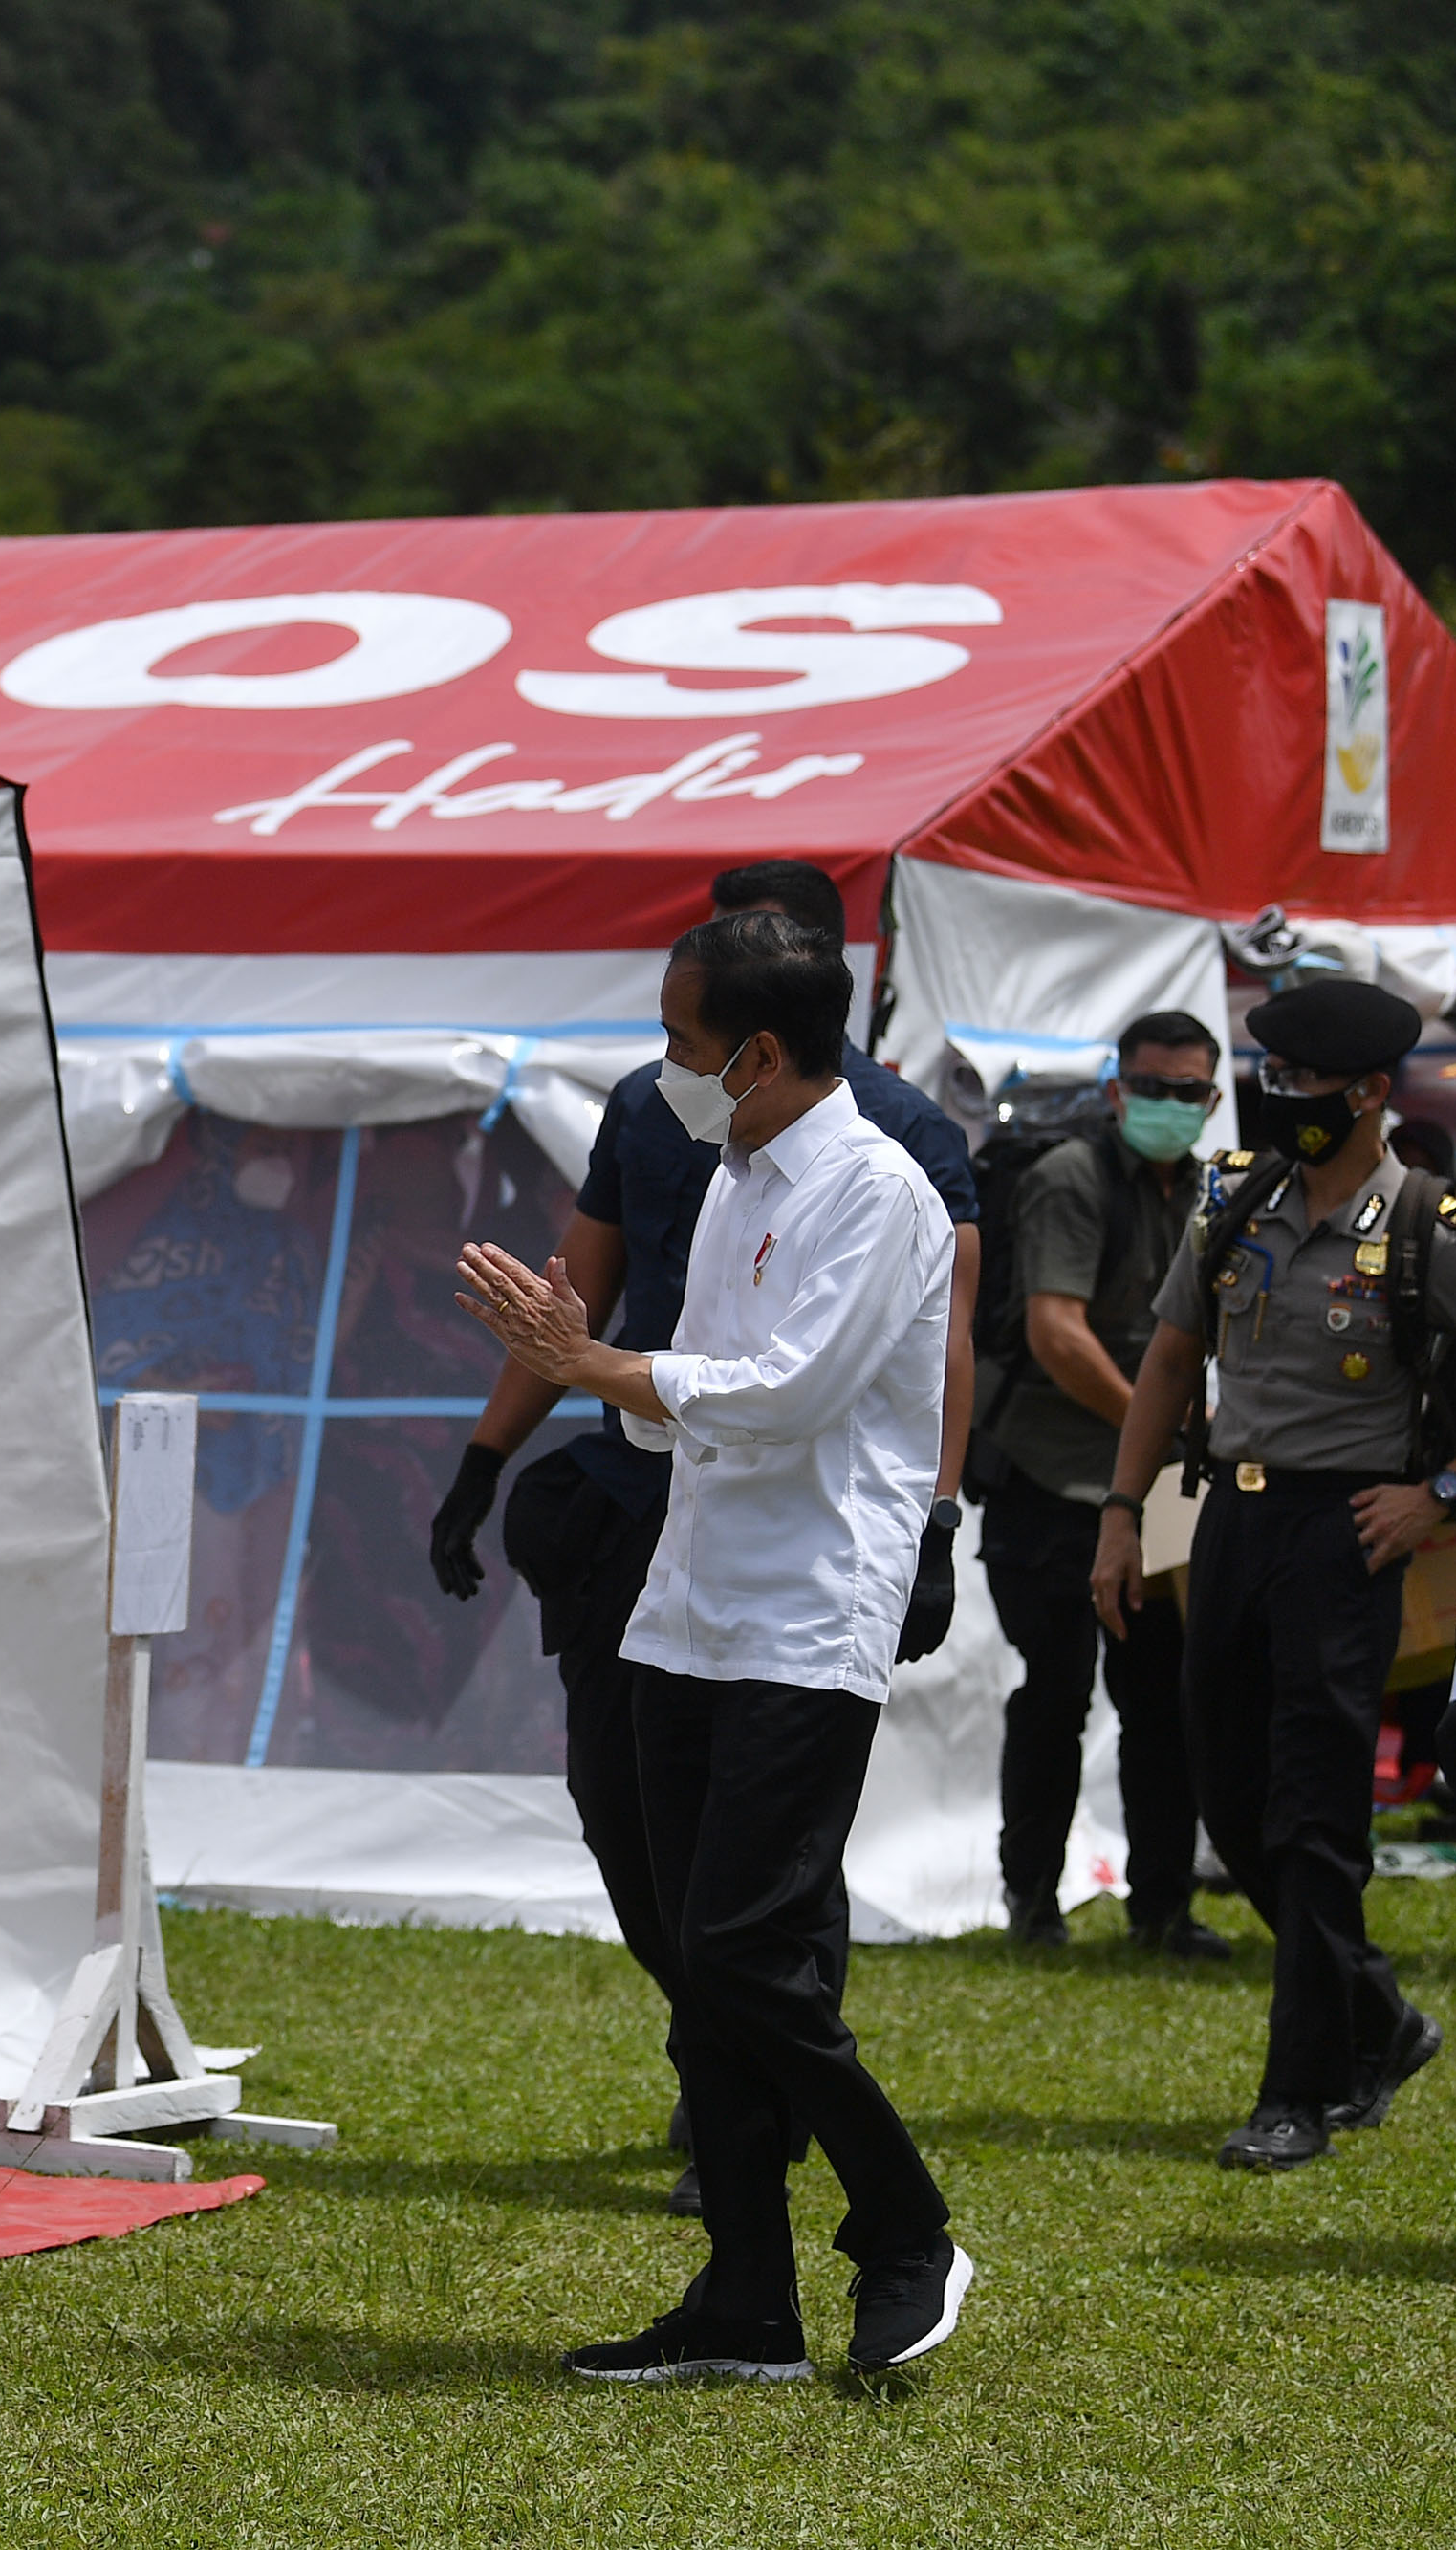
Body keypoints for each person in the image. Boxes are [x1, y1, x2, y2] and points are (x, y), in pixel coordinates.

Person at [461, 908, 970, 2380]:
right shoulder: (737, 1170)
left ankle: (907, 2225)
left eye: (680, 1038)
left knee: (748, 1946)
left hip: (810, 1612)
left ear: (757, 1050)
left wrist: (597, 1360)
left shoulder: (877, 1189)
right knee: (700, 1959)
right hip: (686, 1603)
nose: (662, 1064)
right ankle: (748, 2298)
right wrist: (588, 1356)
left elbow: (787, 1395)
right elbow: (681, 1401)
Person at [1094, 977, 1455, 2172]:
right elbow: (1168, 1360)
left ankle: (1298, 2090)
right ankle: (1378, 2015)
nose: (1280, 1095)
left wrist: (1439, 1494)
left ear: (1369, 1092)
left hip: (1343, 1531)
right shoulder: (1235, 1200)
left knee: (1313, 1815)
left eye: (1303, 1081)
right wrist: (1119, 1513)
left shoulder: (1430, 1223)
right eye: (1274, 1076)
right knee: (1229, 1789)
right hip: (1230, 1523)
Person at [979, 1010, 1228, 1958]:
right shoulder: (1070, 1177)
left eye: (1187, 1091)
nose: (1169, 1104)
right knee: (1054, 1693)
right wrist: (1157, 1427)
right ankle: (1032, 1902)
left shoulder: (1211, 1193)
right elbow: (1056, 1331)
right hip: (1050, 1479)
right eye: (1151, 1087)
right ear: (1118, 1089)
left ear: (1211, 1099)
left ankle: (1161, 1905)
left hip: (1158, 1490)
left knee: (1163, 1695)